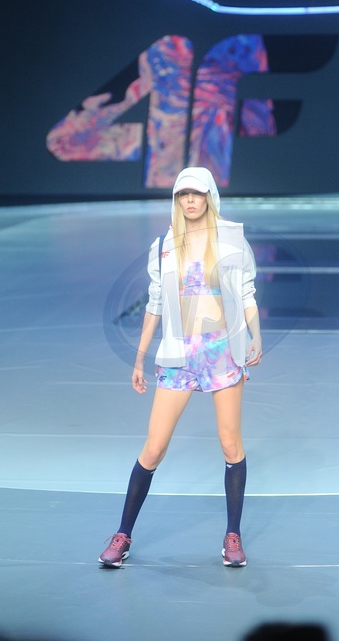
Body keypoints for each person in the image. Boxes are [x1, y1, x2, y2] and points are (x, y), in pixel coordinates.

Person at [99, 166, 262, 568]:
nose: (190, 200)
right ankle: (122, 535)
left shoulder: (232, 241)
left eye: (197, 193)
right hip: (178, 356)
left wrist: (256, 336)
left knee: (230, 444)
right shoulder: (164, 247)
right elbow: (155, 302)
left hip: (223, 352)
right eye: (182, 194)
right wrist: (139, 356)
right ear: (176, 200)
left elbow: (246, 293)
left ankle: (233, 536)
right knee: (153, 448)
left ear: (209, 196)